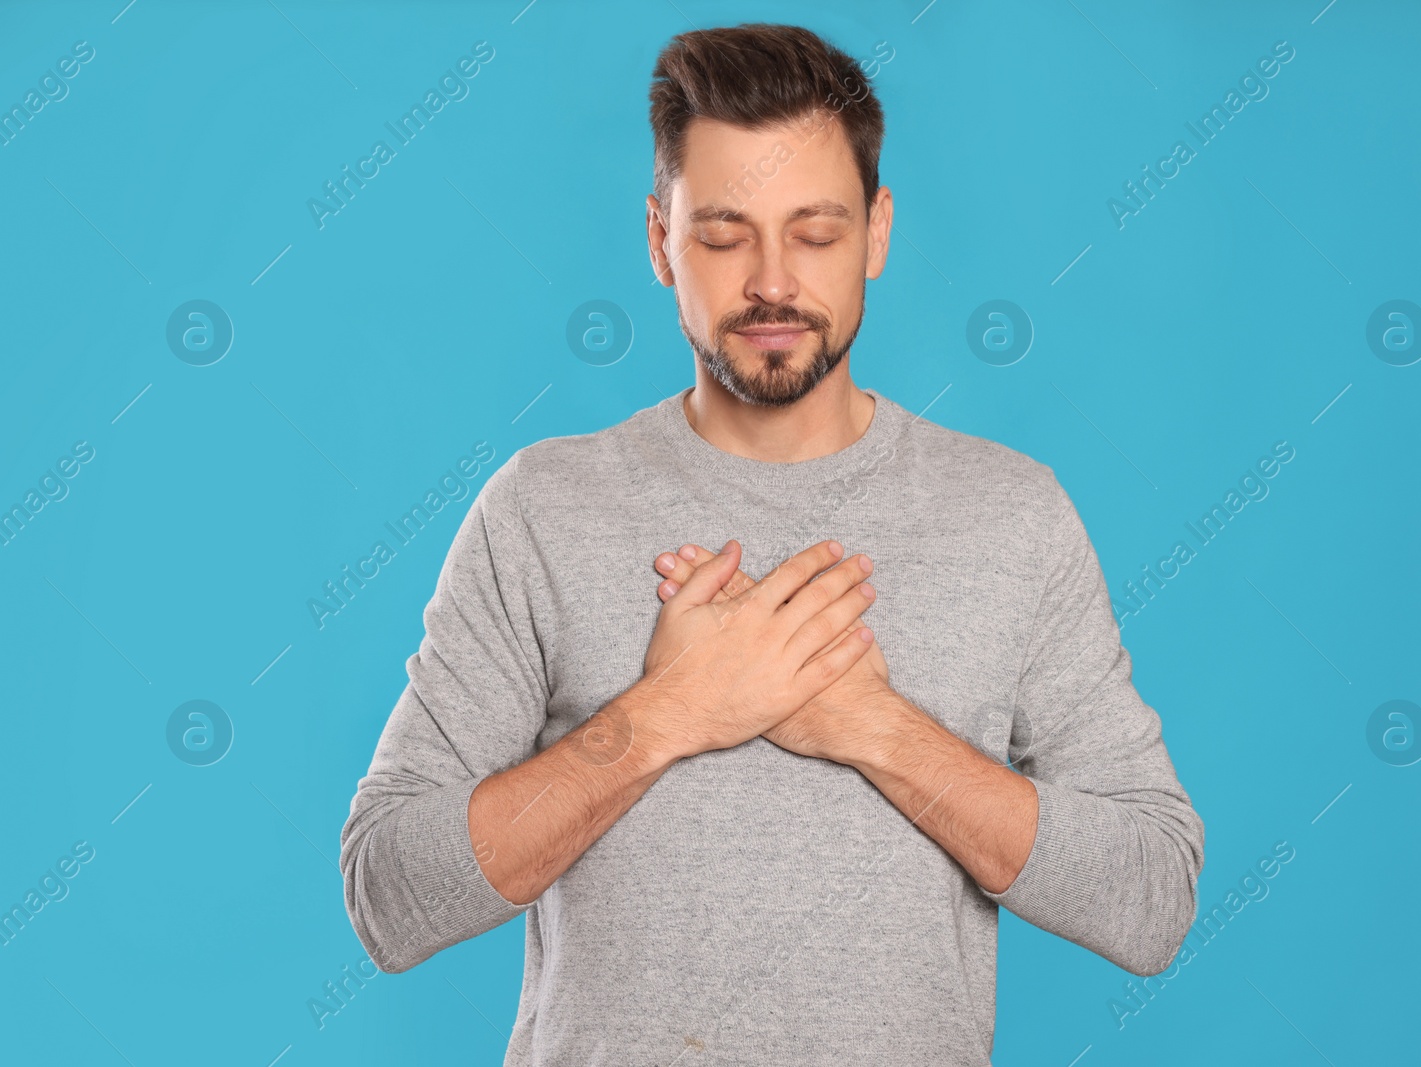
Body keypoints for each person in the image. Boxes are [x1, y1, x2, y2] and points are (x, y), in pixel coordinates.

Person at [339, 21, 1203, 1066]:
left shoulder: (1010, 514)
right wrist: (667, 714)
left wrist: (877, 729)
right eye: (723, 232)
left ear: (877, 233)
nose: (771, 281)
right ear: (658, 239)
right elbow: (388, 894)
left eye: (816, 231)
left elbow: (1151, 897)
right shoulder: (542, 507)